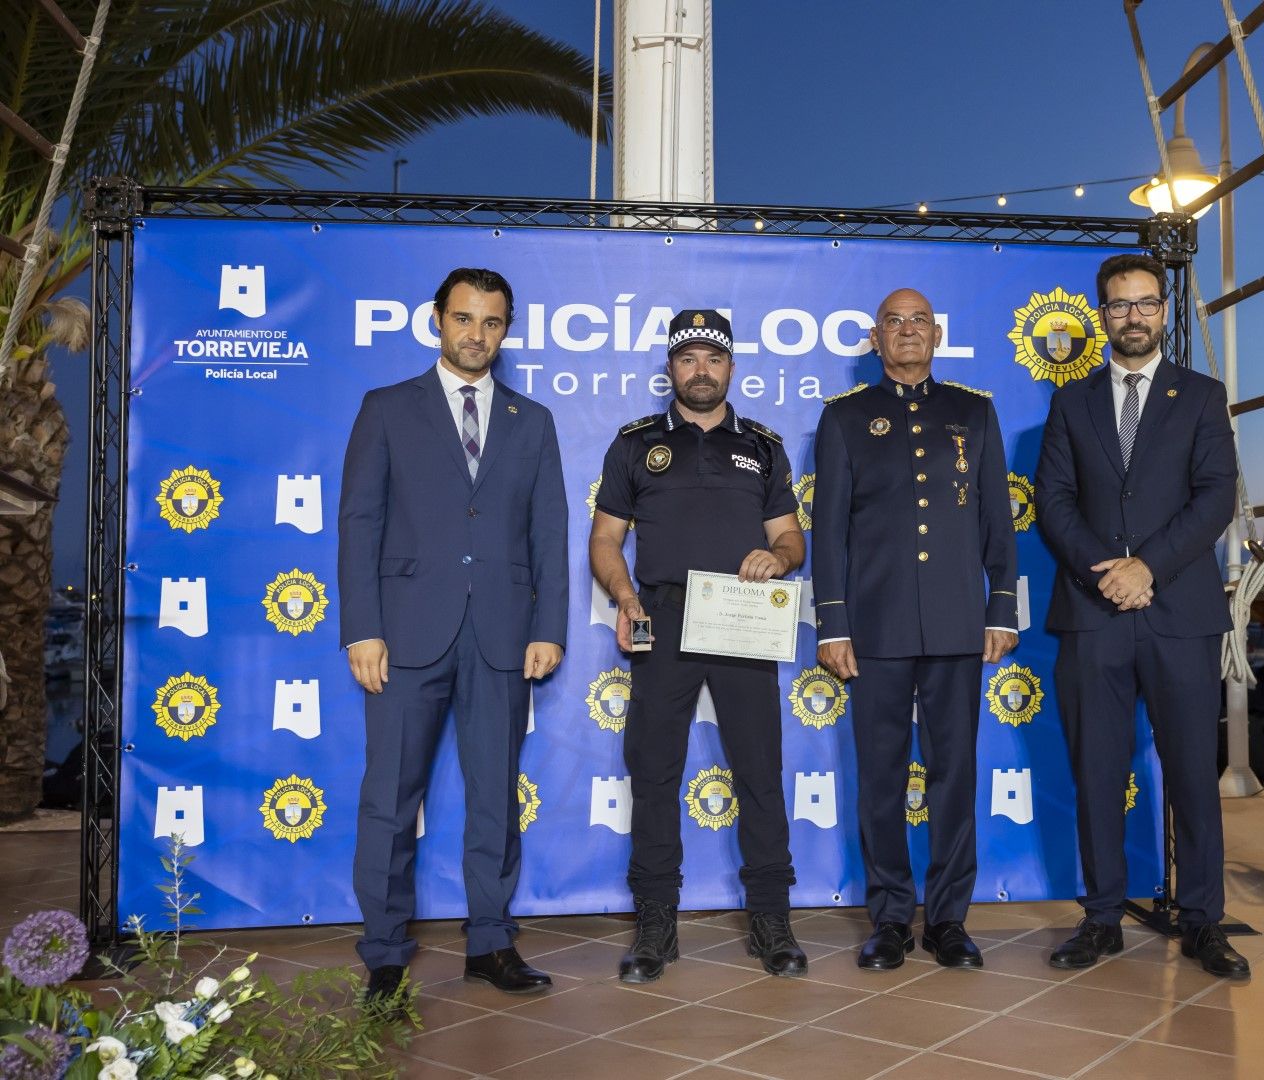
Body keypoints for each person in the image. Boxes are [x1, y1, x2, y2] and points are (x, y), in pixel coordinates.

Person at [338, 267, 568, 1007]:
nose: (477, 335)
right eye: (464, 319)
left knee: (496, 795)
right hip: (404, 635)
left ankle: (492, 943)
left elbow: (549, 532)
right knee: (389, 797)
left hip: (501, 635)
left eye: (492, 322)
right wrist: (362, 628)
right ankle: (383, 953)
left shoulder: (531, 421)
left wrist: (549, 627)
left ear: (506, 330)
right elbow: (359, 525)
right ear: (438, 321)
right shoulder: (386, 409)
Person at [1033, 252, 1248, 978]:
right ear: (1101, 316)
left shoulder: (1201, 396)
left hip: (1178, 613)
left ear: (1164, 311)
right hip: (1093, 614)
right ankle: (1101, 918)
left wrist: (1148, 567)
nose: (1134, 316)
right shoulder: (1072, 402)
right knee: (1096, 771)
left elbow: (1216, 496)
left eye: (1146, 304)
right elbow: (1053, 504)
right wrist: (1110, 574)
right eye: (1120, 305)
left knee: (1192, 773)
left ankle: (1203, 921)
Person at [589, 308, 809, 982]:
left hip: (743, 616)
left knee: (760, 772)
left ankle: (771, 920)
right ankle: (656, 923)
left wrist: (778, 558)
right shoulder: (634, 444)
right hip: (663, 615)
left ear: (731, 368)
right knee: (653, 770)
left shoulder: (765, 446)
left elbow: (791, 538)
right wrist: (626, 599)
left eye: (713, 358)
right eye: (688, 359)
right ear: (671, 370)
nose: (701, 370)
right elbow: (604, 540)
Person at [812, 288, 1019, 970]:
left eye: (919, 321)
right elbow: (830, 533)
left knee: (954, 777)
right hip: (875, 628)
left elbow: (998, 522)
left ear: (937, 335)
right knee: (880, 779)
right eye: (894, 323)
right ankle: (892, 919)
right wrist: (832, 626)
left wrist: (1000, 608)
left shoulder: (973, 412)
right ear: (876, 339)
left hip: (959, 625)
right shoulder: (845, 418)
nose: (907, 332)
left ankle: (950, 921)